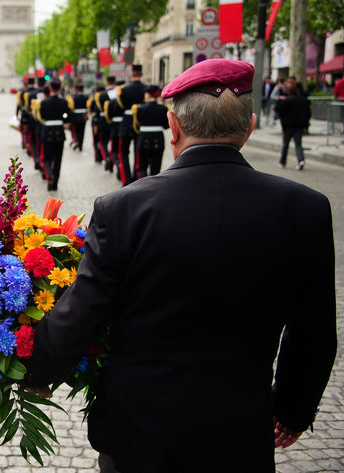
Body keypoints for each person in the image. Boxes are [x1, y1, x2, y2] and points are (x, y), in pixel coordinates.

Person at [25, 58, 336, 473]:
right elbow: (314, 334)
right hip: (241, 431)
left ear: (173, 127)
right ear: (249, 127)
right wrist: (293, 410)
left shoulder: (122, 209)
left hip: (139, 431)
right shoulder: (306, 210)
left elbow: (82, 314)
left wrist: (31, 367)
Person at [37, 77, 70, 191]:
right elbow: (67, 117)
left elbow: (41, 116)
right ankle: (55, 181)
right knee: (58, 159)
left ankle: (49, 175)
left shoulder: (44, 102)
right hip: (59, 132)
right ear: (60, 88)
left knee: (46, 158)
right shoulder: (64, 102)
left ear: (50, 88)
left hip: (47, 132)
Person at [117, 64, 146, 185]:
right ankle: (137, 177)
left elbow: (120, 107)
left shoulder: (123, 90)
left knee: (123, 152)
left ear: (131, 74)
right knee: (138, 152)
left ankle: (126, 179)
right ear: (141, 74)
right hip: (140, 121)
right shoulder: (146, 89)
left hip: (127, 121)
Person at [275, 79, 311, 170]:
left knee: (285, 144)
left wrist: (279, 99)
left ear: (288, 91)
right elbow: (308, 113)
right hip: (299, 126)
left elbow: (277, 108)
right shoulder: (303, 101)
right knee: (298, 144)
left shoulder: (287, 100)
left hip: (288, 126)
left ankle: (282, 162)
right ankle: (301, 160)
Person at [133, 85, 169, 176]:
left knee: (141, 167)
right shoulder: (163, 109)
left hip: (143, 138)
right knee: (156, 168)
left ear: (148, 95)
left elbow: (137, 124)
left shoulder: (139, 109)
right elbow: (166, 126)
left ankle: (143, 187)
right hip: (158, 138)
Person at [67, 82, 89, 152]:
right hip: (83, 116)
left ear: (76, 90)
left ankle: (76, 141)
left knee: (75, 130)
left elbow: (71, 108)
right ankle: (80, 145)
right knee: (82, 131)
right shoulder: (86, 98)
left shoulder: (73, 98)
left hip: (75, 116)